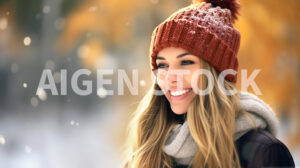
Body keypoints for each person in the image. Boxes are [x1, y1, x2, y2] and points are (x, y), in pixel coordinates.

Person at [123, 0, 295, 167]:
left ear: (217, 73)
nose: (170, 78)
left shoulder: (264, 154)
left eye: (186, 62)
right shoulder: (144, 156)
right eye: (162, 65)